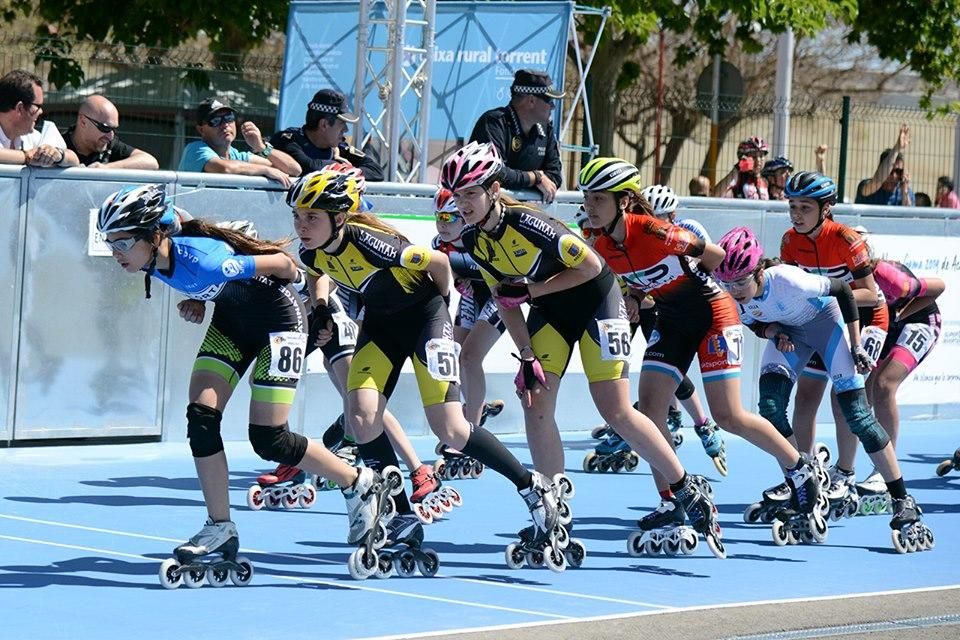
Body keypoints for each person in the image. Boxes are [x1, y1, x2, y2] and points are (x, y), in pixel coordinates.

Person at [96, 183, 403, 584]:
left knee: (269, 438)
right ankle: (219, 526)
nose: (115, 253)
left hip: (280, 319)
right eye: (110, 242)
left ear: (153, 237)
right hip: (231, 320)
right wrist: (201, 299)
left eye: (121, 242)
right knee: (201, 418)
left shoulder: (209, 263)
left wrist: (321, 309)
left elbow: (285, 266)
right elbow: (181, 224)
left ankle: (358, 482)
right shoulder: (160, 236)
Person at [443, 142, 726, 559]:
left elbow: (592, 267)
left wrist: (532, 289)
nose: (462, 203)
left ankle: (685, 485)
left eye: (470, 193)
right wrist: (525, 355)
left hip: (597, 301)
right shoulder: (475, 241)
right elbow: (506, 300)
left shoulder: (531, 223)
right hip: (551, 312)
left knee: (615, 409)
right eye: (457, 195)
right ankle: (553, 509)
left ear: (494, 189)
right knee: (535, 402)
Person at [289, 166, 580, 571]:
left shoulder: (375, 243)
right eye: (298, 218)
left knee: (451, 429)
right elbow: (320, 272)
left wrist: (440, 306)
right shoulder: (310, 249)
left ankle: (531, 487)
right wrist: (320, 307)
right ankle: (403, 515)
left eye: (312, 218)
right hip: (382, 327)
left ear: (340, 217)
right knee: (361, 417)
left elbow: (439, 266)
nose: (302, 227)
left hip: (426, 319)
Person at [579, 156, 821, 549]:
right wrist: (638, 295)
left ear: (623, 201)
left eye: (599, 197)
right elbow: (638, 276)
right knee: (649, 411)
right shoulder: (603, 243)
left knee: (728, 415)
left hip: (713, 313)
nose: (589, 205)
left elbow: (719, 260)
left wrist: (751, 311)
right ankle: (672, 501)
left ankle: (799, 468)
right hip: (673, 320)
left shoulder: (656, 231)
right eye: (587, 196)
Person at [714, 225, 933, 552]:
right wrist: (772, 330)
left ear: (759, 270)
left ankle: (902, 498)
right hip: (790, 335)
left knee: (857, 414)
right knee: (771, 408)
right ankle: (801, 482)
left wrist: (857, 344)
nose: (734, 289)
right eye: (727, 283)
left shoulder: (787, 279)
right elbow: (756, 322)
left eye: (741, 281)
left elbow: (844, 291)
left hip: (825, 327)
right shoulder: (734, 295)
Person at [780, 171, 891, 509]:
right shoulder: (789, 241)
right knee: (805, 396)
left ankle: (845, 473)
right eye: (793, 206)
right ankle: (805, 470)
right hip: (824, 321)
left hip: (868, 319)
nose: (797, 214)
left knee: (845, 399)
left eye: (805, 208)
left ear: (825, 209)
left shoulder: (846, 239)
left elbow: (871, 295)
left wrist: (826, 294)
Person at [638, 184, 725, 472]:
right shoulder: (641, 236)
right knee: (663, 372)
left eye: (660, 216)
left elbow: (710, 265)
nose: (654, 223)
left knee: (727, 411)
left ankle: (703, 423)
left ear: (672, 215)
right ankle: (671, 415)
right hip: (659, 309)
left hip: (695, 309)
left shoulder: (687, 229)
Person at [431, 187, 506, 428]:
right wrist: (457, 278)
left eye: (448, 218)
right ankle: (476, 404)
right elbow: (445, 269)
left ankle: (472, 430)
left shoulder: (483, 239)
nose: (441, 224)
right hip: (472, 297)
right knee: (454, 357)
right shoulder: (439, 244)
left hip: (500, 296)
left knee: (471, 357)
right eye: (438, 217)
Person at [469, 69, 563, 203]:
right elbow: (494, 172)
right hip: (490, 215)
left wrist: (534, 180)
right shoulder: (494, 123)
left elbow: (554, 176)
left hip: (527, 215)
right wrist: (535, 178)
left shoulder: (545, 129)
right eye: (549, 100)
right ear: (531, 101)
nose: (553, 106)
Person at [178, 98, 300, 186]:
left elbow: (295, 170)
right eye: (215, 120)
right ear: (201, 129)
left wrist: (262, 147)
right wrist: (265, 170)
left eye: (229, 118)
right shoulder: (195, 149)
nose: (225, 125)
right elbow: (225, 168)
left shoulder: (238, 156)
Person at [270, 88, 383, 181]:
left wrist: (345, 170)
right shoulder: (288, 141)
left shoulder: (339, 147)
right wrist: (341, 166)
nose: (346, 129)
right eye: (342, 123)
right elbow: (309, 167)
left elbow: (376, 171)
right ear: (324, 124)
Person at [0, 69, 79, 167]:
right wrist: (26, 157)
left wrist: (58, 155)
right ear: (19, 108)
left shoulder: (34, 135)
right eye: (38, 106)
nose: (41, 111)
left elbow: (74, 160)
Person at [64, 95, 159, 169]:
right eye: (105, 128)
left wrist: (107, 168)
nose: (110, 136)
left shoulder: (109, 146)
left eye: (114, 129)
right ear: (83, 122)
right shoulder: (59, 143)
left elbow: (151, 162)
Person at [855, 124, 914, 206]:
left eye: (898, 171)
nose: (894, 176)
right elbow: (877, 181)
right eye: (890, 171)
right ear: (881, 168)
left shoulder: (906, 192)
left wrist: (904, 192)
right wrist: (897, 148)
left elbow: (909, 217)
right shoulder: (866, 186)